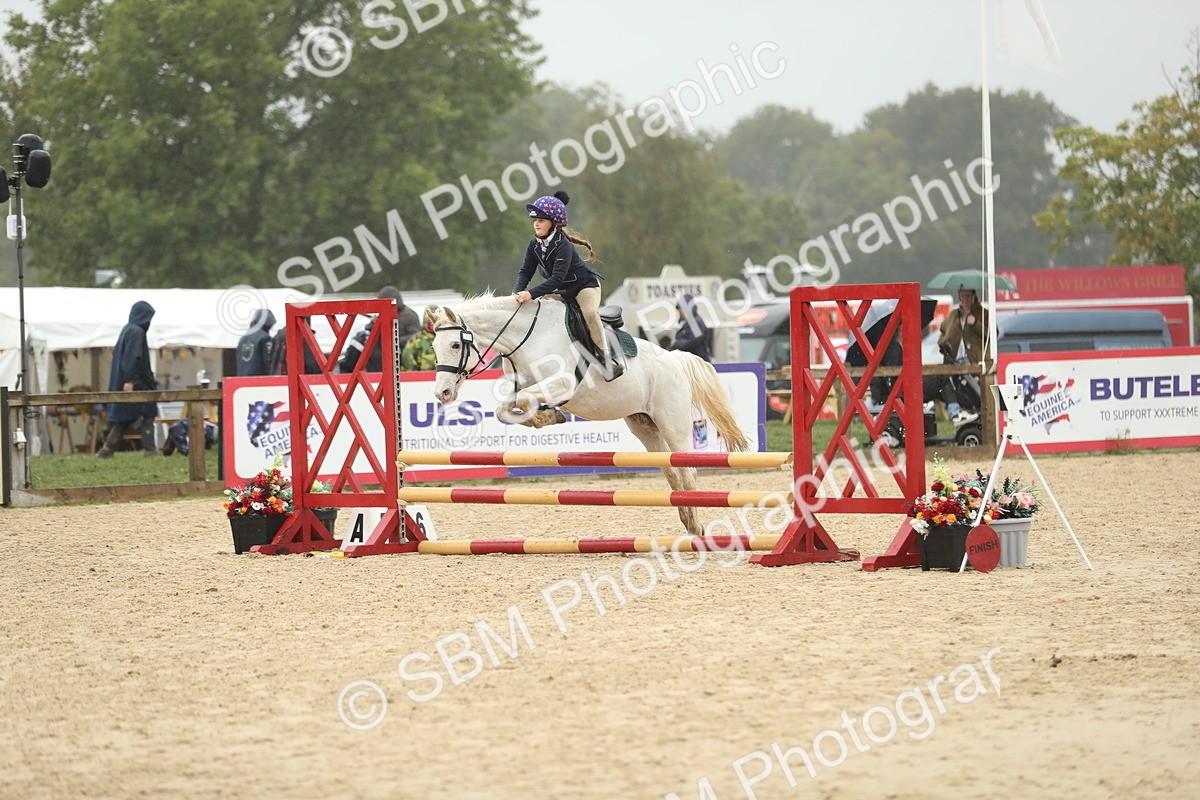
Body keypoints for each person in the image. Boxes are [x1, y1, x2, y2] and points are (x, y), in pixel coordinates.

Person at [513, 190, 622, 380]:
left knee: (590, 313)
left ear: (554, 223)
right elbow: (525, 272)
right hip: (563, 290)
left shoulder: (563, 245)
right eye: (535, 220)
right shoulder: (534, 245)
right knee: (538, 307)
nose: (536, 223)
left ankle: (606, 360)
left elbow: (556, 279)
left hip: (584, 286)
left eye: (541, 220)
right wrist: (517, 293)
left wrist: (530, 293)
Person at [97, 300, 158, 458]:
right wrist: (130, 381)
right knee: (148, 412)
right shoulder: (136, 332)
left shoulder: (127, 329)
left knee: (124, 419)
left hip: (129, 380)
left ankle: (106, 451)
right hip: (137, 382)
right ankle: (150, 450)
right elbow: (133, 357)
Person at [937, 287, 989, 423]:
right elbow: (942, 333)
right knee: (956, 390)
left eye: (968, 296)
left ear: (974, 296)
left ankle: (980, 417)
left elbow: (992, 334)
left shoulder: (983, 313)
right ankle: (961, 416)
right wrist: (943, 344)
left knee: (977, 393)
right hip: (954, 361)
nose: (965, 299)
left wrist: (976, 324)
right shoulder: (953, 315)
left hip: (975, 362)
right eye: (962, 296)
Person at [338, 286, 421, 373]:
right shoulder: (386, 313)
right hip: (384, 354)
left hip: (402, 357)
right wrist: (374, 324)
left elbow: (415, 337)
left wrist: (394, 341)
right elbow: (372, 331)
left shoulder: (410, 315)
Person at [671, 294, 712, 362]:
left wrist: (677, 344)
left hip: (698, 363)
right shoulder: (690, 322)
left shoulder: (696, 322)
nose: (679, 313)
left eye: (681, 309)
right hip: (692, 362)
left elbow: (694, 342)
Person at [235, 309, 276, 376]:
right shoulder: (265, 338)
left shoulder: (243, 338)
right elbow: (268, 362)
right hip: (260, 379)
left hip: (242, 378)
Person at [401, 307, 438, 371]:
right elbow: (407, 365)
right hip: (422, 376)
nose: (434, 326)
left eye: (437, 323)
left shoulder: (445, 340)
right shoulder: (416, 341)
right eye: (431, 323)